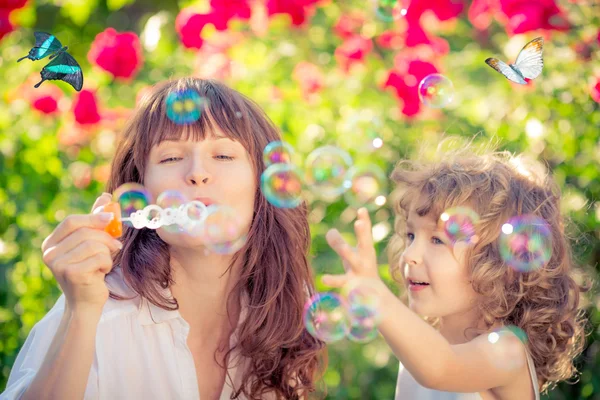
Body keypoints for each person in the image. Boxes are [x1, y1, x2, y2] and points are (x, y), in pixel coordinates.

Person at [1, 78, 326, 400]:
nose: (197, 173)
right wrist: (81, 313)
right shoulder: (96, 310)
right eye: (170, 157)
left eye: (223, 155)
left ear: (263, 184)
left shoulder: (281, 312)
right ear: (142, 187)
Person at [321, 145, 588, 400]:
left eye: (437, 240)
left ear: (498, 264)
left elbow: (441, 368)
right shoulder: (424, 346)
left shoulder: (507, 350)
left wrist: (377, 297)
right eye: (410, 235)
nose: (409, 255)